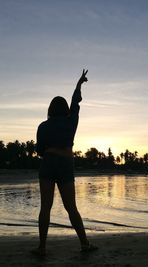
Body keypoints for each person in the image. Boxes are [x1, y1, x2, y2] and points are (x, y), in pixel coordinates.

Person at [33, 70, 97, 256]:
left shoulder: (43, 126)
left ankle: (42, 247)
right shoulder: (71, 122)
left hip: (48, 163)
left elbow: (39, 151)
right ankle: (85, 244)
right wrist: (79, 83)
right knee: (71, 208)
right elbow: (75, 102)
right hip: (65, 164)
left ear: (50, 110)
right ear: (65, 110)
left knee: (45, 207)